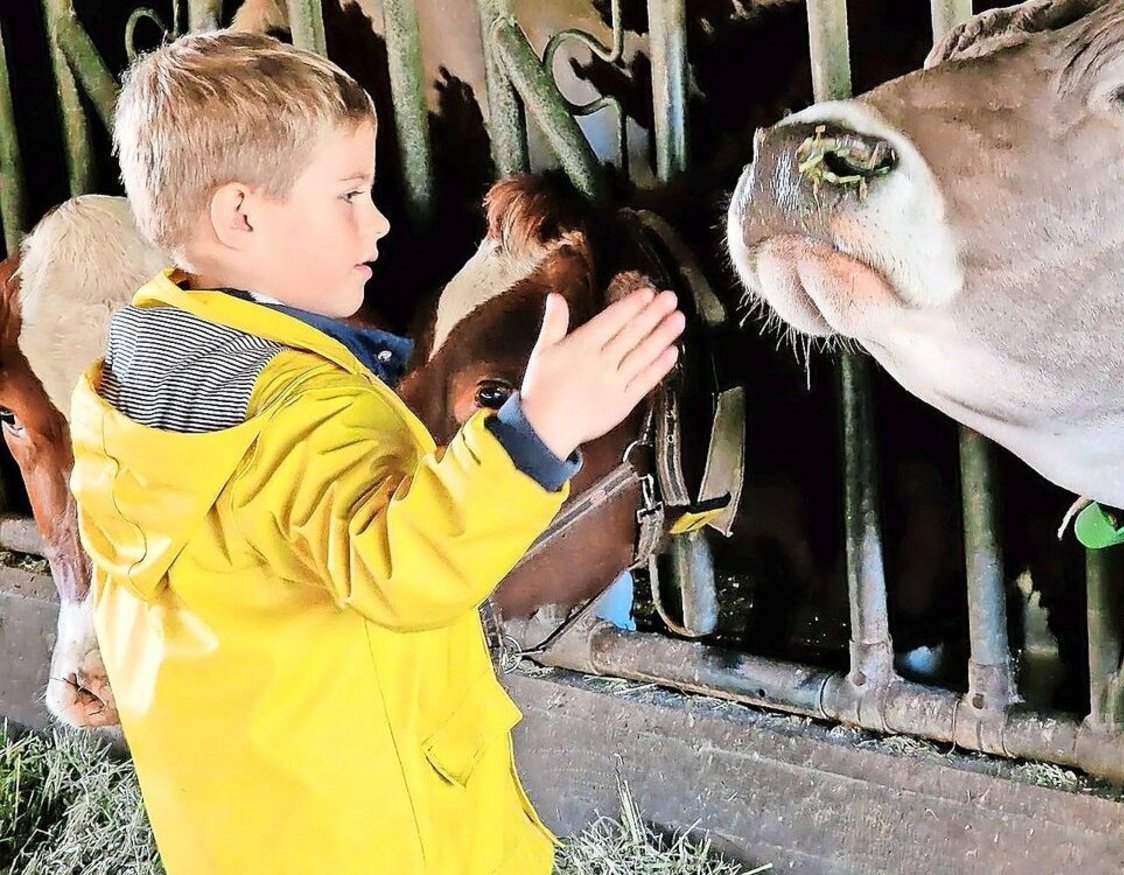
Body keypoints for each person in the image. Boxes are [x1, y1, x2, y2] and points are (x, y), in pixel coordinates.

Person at [68, 29, 684, 874]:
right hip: (381, 826)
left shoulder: (137, 374)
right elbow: (398, 561)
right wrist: (540, 430)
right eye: (349, 195)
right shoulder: (294, 412)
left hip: (241, 818)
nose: (381, 218)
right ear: (240, 215)